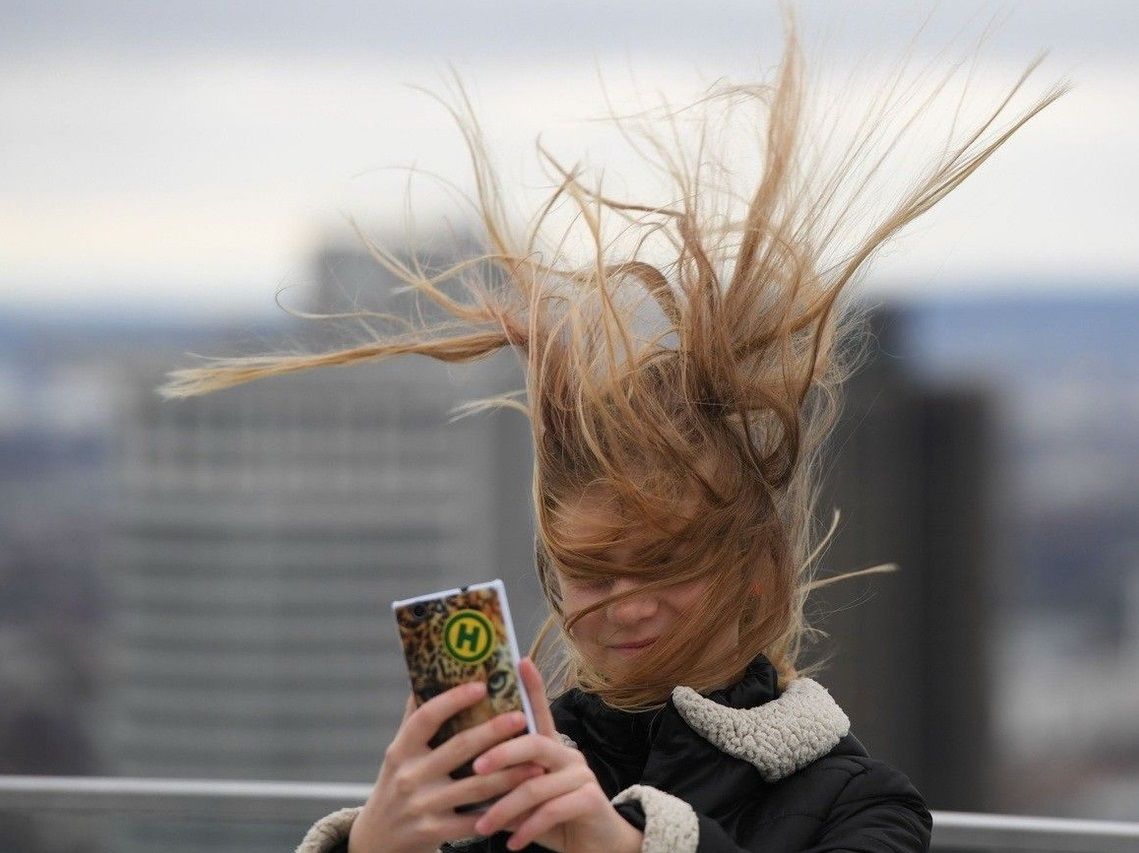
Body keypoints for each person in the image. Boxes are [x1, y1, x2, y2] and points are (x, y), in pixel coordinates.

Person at [156, 7, 1069, 852]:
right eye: (592, 571)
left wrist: (625, 845)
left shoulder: (863, 802)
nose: (623, 604)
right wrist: (375, 846)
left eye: (664, 564)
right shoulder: (503, 774)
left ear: (753, 569)